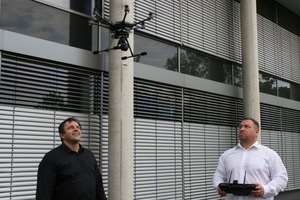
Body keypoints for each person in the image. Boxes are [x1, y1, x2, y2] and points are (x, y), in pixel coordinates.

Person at [213, 117, 288, 200]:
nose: (242, 129)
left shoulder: (269, 154)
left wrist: (265, 189)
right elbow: (218, 175)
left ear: (256, 132)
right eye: (240, 126)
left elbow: (281, 177)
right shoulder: (227, 155)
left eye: (246, 126)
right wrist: (219, 186)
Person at [36, 117, 107, 200]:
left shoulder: (89, 155)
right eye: (71, 128)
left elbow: (98, 183)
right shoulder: (51, 157)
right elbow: (44, 192)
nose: (76, 129)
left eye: (78, 127)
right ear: (62, 135)